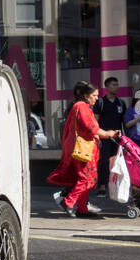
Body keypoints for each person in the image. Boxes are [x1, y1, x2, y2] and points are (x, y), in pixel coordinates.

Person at [45, 81, 120, 218]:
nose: (97, 98)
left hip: (83, 150)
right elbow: (91, 128)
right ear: (86, 96)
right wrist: (109, 133)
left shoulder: (81, 106)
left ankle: (82, 209)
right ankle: (68, 202)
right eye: (94, 95)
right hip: (83, 151)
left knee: (85, 179)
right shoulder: (82, 106)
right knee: (88, 179)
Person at [93, 76, 126, 192]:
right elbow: (95, 122)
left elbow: (124, 122)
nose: (116, 87)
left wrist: (124, 139)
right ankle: (102, 187)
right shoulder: (100, 102)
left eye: (117, 85)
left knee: (116, 162)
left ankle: (114, 187)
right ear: (106, 87)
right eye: (113, 85)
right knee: (104, 162)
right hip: (104, 137)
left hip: (117, 138)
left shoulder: (121, 103)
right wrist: (98, 137)